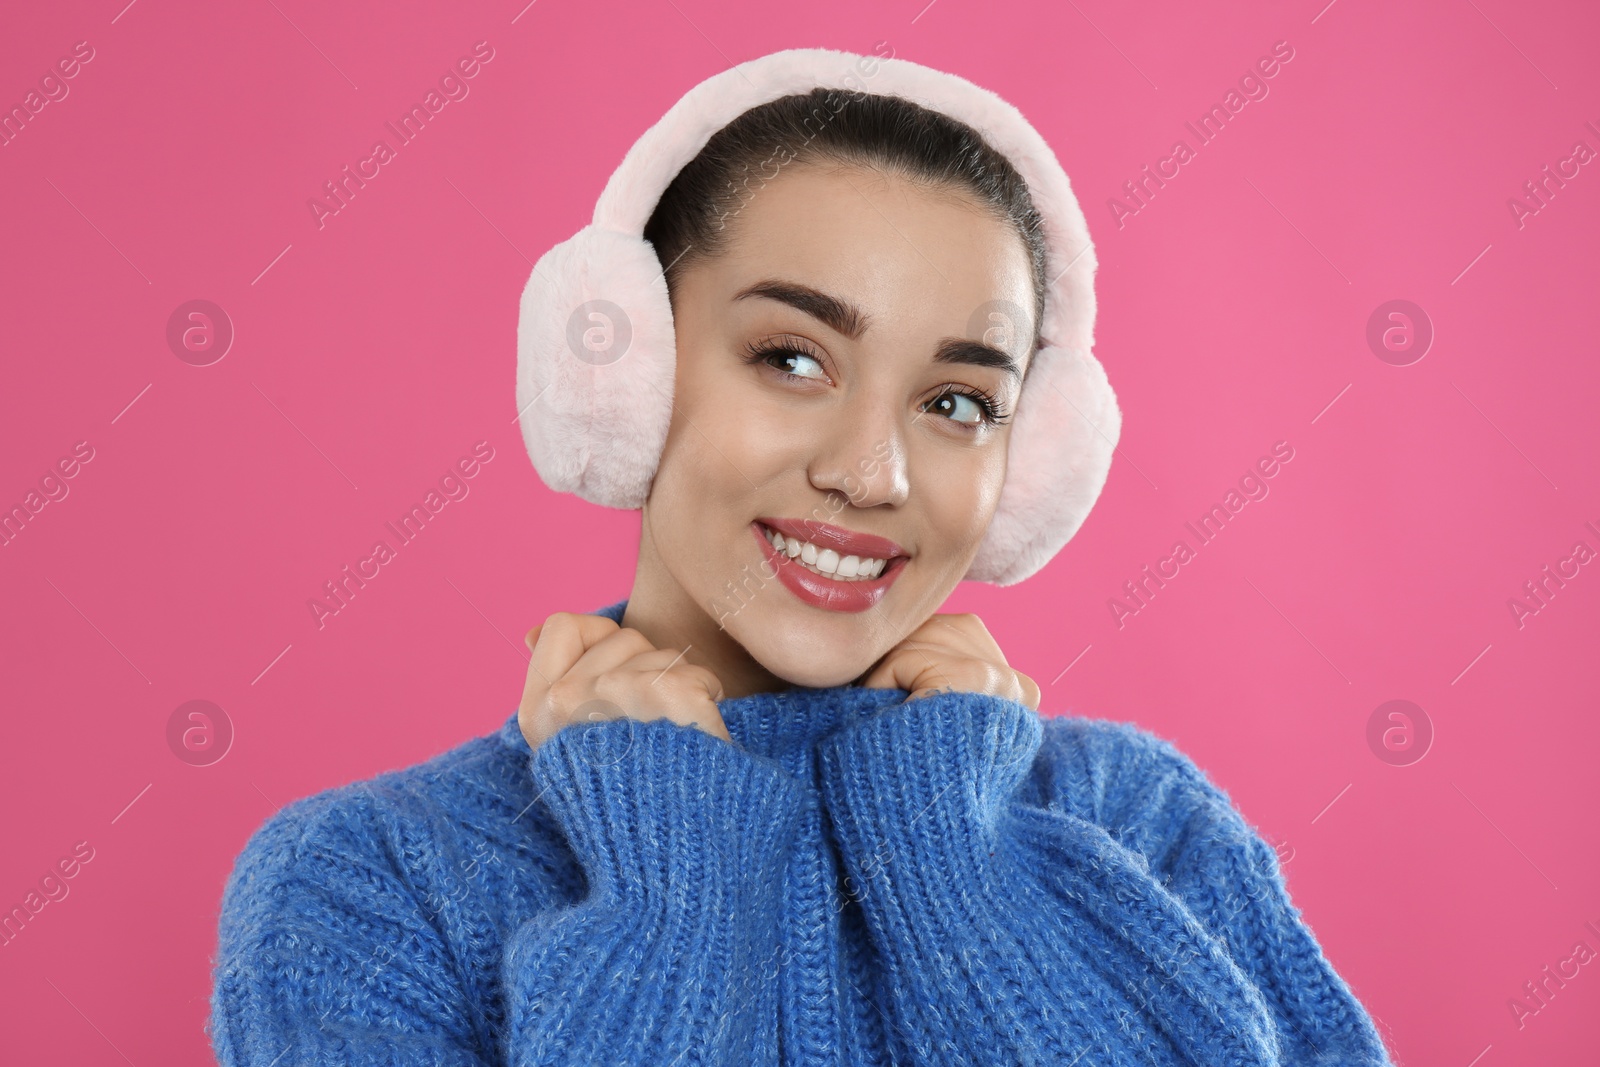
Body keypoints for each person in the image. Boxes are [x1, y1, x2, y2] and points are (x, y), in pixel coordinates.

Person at [209, 48, 1394, 1065]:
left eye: (959, 402)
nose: (871, 473)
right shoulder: (366, 880)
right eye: (790, 358)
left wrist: (956, 852)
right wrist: (673, 864)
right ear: (625, 372)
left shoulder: (1134, 817)